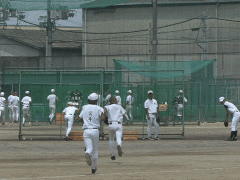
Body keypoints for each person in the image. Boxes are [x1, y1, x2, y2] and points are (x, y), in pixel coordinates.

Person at [78, 93, 104, 174]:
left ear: (89, 100)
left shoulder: (84, 107)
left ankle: (87, 153)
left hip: (86, 130)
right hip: (95, 130)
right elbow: (103, 118)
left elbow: (79, 118)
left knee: (89, 148)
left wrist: (85, 122)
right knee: (95, 150)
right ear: (96, 100)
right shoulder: (99, 108)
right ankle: (93, 168)